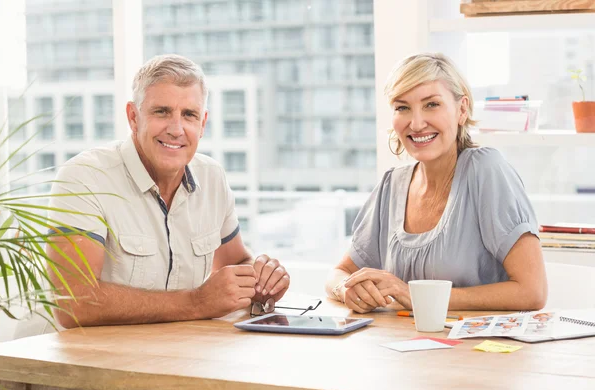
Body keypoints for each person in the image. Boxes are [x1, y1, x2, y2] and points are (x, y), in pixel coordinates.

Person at [46, 54, 290, 328]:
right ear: (133, 117)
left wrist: (261, 281)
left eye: (189, 115)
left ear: (203, 123)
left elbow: (237, 262)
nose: (176, 129)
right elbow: (73, 303)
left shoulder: (212, 177)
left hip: (173, 355)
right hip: (81, 365)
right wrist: (197, 302)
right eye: (161, 112)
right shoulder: (84, 178)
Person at [325, 53, 547, 313]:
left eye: (431, 104)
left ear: (462, 110)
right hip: (400, 346)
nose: (416, 124)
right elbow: (339, 273)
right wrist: (348, 289)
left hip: (479, 350)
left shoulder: (485, 170)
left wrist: (412, 295)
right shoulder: (391, 185)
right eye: (402, 107)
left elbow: (532, 292)